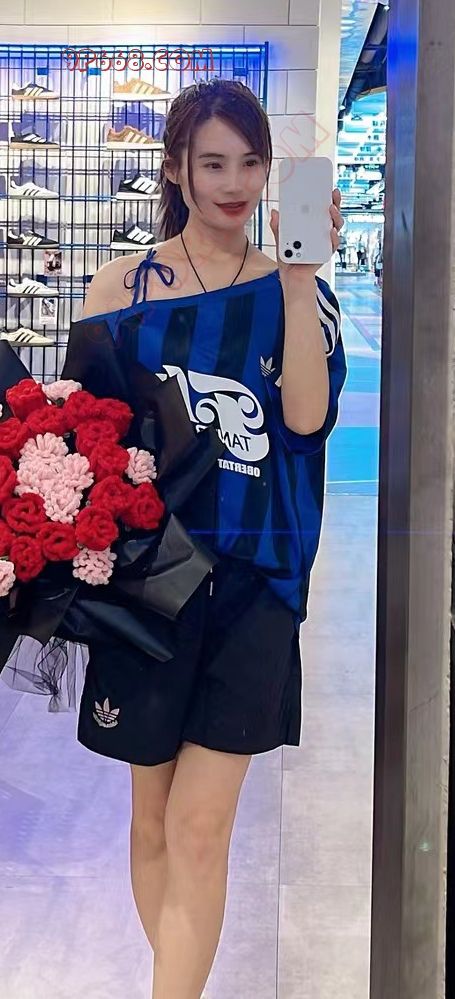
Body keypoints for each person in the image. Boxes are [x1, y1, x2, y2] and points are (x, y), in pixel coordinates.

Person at [63, 78, 347, 999]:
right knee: (151, 823)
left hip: (255, 583)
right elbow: (88, 438)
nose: (233, 183)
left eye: (250, 163)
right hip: (147, 582)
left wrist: (297, 281)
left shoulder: (299, 292)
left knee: (197, 828)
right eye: (213, 162)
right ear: (176, 169)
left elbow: (302, 420)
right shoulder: (122, 288)